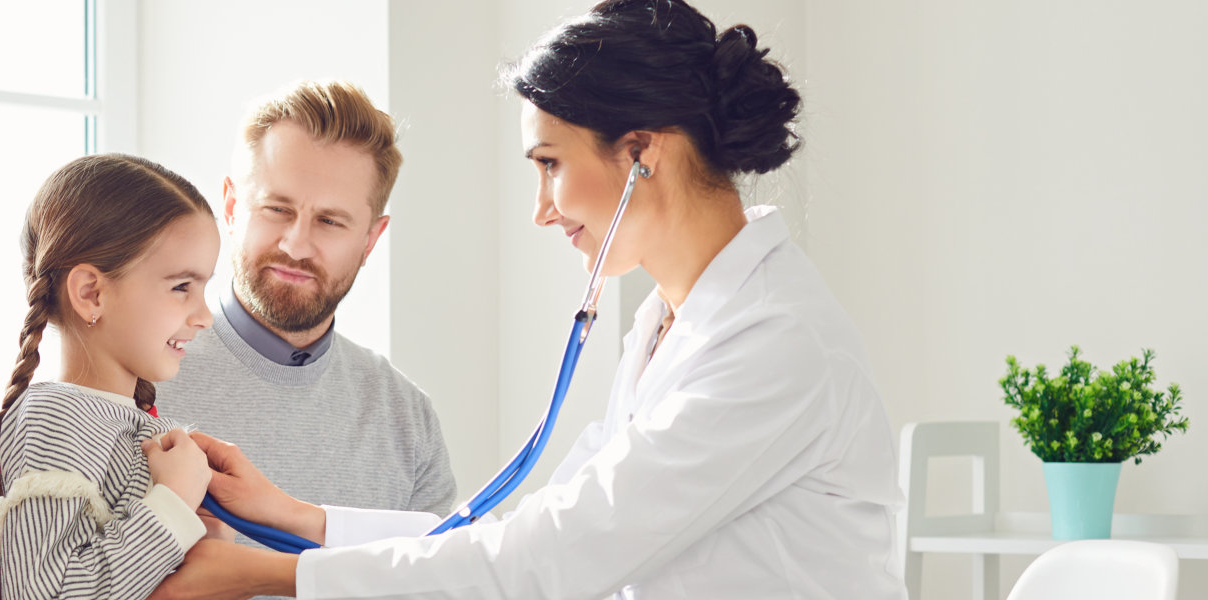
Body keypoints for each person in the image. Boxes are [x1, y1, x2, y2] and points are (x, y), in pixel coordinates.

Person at [151, 1, 904, 598]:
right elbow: (519, 534)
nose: (540, 208)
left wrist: (269, 573)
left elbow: (549, 562)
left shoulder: (774, 342)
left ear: (643, 154)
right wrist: (298, 518)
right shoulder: (672, 325)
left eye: (549, 164)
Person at [0, 81, 458, 568]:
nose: (296, 245)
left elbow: (447, 579)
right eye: (276, 209)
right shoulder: (116, 371)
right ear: (234, 206)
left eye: (330, 221)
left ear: (371, 239)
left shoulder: (407, 419)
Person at [0, 154, 225, 600]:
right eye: (182, 287)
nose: (204, 317)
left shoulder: (127, 422)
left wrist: (209, 540)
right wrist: (174, 503)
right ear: (91, 294)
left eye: (204, 289)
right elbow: (43, 593)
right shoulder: (56, 418)